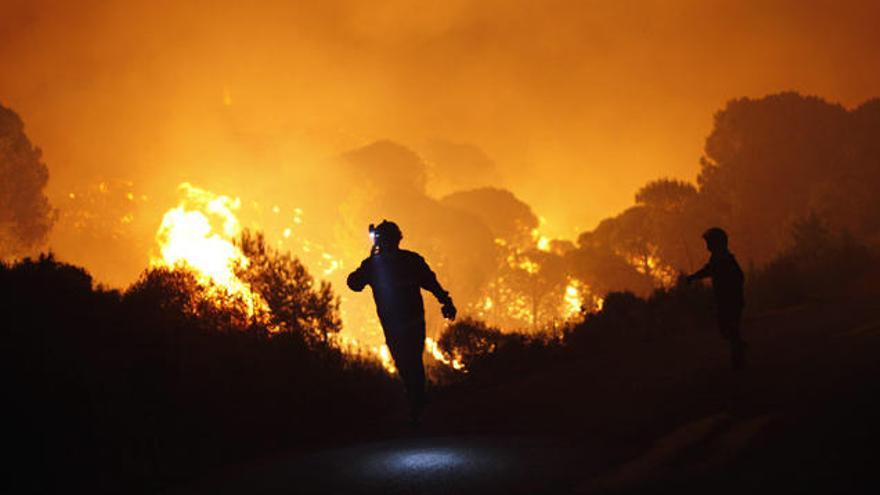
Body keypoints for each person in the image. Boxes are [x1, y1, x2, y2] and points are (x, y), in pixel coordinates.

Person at [347, 220, 457, 423]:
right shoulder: (411, 260)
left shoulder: (373, 265)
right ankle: (419, 402)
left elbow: (353, 284)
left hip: (394, 325)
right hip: (413, 321)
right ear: (398, 239)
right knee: (413, 361)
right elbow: (433, 284)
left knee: (405, 363)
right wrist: (446, 302)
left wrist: (371, 259)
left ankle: (416, 403)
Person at [687, 227, 747, 369]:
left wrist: (731, 291)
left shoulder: (723, 259)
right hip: (727, 300)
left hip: (730, 300)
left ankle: (738, 356)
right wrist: (694, 277)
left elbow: (738, 277)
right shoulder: (718, 258)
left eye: (709, 242)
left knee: (729, 327)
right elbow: (708, 270)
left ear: (716, 243)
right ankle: (738, 348)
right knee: (728, 328)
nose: (707, 245)